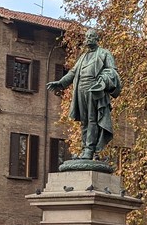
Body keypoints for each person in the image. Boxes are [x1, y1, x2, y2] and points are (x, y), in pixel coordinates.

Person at [45, 28, 122, 161]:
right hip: (80, 89)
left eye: (91, 36)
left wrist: (102, 80)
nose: (88, 39)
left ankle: (89, 150)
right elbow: (73, 73)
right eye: (87, 36)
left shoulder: (104, 53)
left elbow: (112, 71)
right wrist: (61, 83)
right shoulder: (83, 57)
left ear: (97, 39)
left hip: (95, 90)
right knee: (84, 121)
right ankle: (84, 149)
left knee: (92, 119)